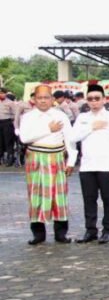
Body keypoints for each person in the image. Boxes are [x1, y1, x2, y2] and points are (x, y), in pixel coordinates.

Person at [19, 85, 77, 244]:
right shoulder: (28, 117)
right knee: (36, 195)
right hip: (36, 157)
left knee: (59, 196)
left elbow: (69, 139)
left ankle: (61, 233)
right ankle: (38, 234)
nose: (43, 101)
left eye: (46, 97)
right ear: (34, 99)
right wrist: (48, 129)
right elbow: (24, 138)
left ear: (52, 99)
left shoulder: (61, 116)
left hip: (57, 157)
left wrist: (71, 160)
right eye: (40, 98)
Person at [70, 85, 109, 245]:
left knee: (108, 199)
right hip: (87, 165)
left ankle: (107, 230)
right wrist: (91, 127)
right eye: (91, 99)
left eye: (97, 98)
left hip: (107, 165)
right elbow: (73, 137)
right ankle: (90, 230)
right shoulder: (82, 118)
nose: (94, 102)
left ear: (104, 99)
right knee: (89, 199)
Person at [0, 87, 16, 166]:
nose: (1, 94)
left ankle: (10, 158)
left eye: (3, 93)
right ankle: (1, 158)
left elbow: (15, 113)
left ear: (6, 94)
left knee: (8, 141)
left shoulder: (10, 103)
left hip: (7, 122)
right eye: (0, 93)